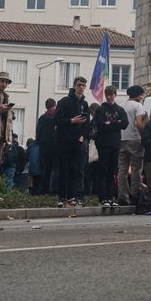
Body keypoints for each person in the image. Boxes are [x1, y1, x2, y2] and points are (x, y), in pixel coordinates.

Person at [54, 76, 90, 207]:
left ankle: (71, 196)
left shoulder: (84, 104)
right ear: (74, 86)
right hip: (63, 140)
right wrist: (71, 121)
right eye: (79, 85)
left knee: (74, 169)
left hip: (77, 141)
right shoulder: (64, 101)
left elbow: (87, 124)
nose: (81, 88)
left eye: (83, 85)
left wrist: (83, 136)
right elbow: (56, 120)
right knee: (63, 169)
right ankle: (61, 197)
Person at [93, 86, 129, 206]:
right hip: (103, 143)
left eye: (111, 95)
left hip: (115, 143)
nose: (109, 97)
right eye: (107, 95)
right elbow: (100, 125)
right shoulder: (101, 109)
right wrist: (116, 123)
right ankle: (102, 198)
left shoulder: (120, 109)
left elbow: (125, 124)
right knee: (103, 170)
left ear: (115, 95)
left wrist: (110, 123)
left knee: (112, 171)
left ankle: (110, 197)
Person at [118, 85, 147, 206]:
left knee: (122, 170)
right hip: (135, 139)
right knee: (136, 169)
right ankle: (135, 195)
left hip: (121, 139)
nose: (142, 97)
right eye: (142, 94)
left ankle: (123, 196)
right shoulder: (138, 106)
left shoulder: (121, 105)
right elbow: (139, 123)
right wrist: (143, 135)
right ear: (138, 95)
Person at [35, 98, 57, 195]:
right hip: (53, 146)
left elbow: (38, 133)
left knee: (46, 168)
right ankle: (50, 189)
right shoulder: (55, 118)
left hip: (44, 147)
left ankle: (44, 189)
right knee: (53, 169)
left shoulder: (42, 118)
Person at [0, 71, 13, 173]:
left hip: (2, 135)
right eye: (2, 81)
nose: (4, 84)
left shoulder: (6, 97)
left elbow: (9, 121)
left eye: (6, 82)